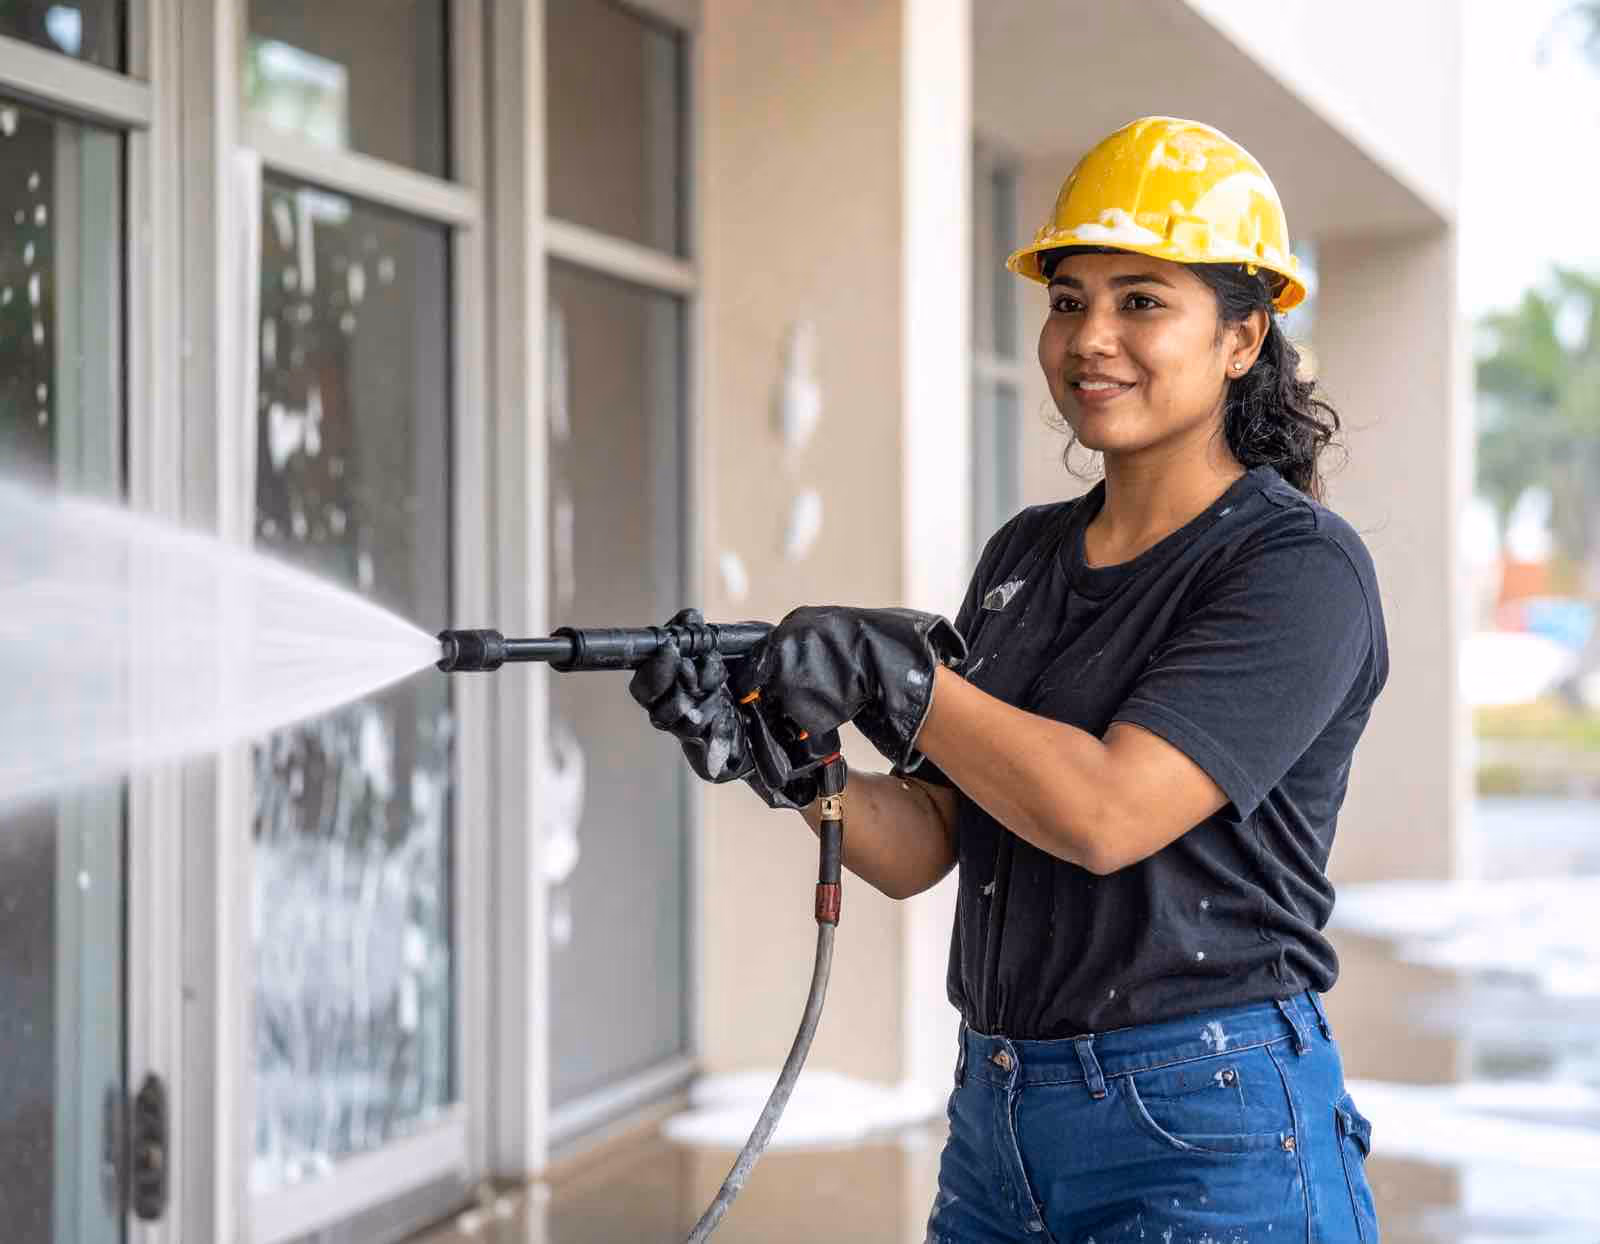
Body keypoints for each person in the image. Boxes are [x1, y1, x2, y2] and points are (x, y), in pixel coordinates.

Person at [630, 116, 1388, 1242]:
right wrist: (783, 759)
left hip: (1210, 1121)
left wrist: (901, 678)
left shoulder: (1295, 568)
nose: (1091, 338)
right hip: (999, 1120)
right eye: (1068, 300)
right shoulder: (1027, 554)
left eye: (1141, 301)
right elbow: (929, 841)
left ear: (1242, 336)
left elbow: (1104, 812)